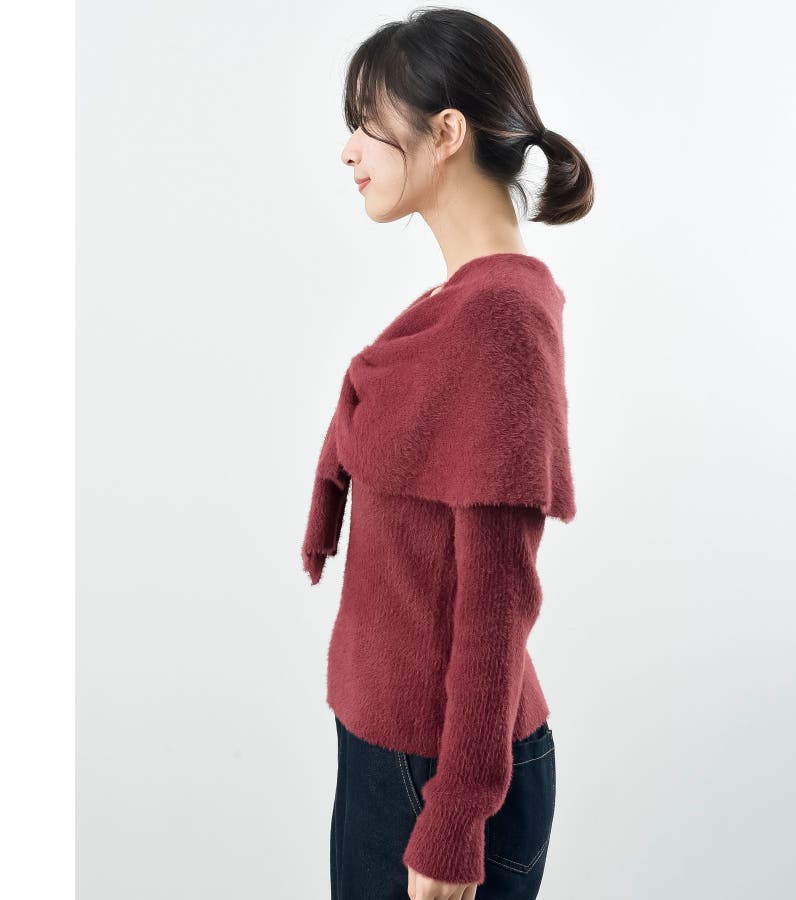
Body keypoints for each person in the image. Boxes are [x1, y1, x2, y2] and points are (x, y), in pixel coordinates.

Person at [302, 8, 594, 899]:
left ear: (446, 132)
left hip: (441, 774)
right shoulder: (457, 303)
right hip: (390, 748)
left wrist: (458, 813)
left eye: (367, 123)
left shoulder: (501, 319)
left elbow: (498, 596)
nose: (349, 151)